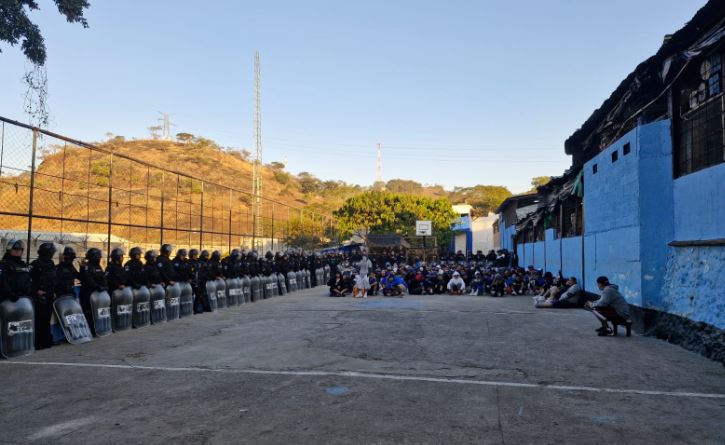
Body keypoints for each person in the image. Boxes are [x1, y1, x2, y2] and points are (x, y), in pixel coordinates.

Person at [29, 242, 57, 349]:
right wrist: (36, 290)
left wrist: (53, 291)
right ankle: (38, 342)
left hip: (49, 295)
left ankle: (46, 341)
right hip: (39, 296)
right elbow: (29, 280)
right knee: (39, 319)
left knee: (46, 319)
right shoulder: (35, 264)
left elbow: (53, 280)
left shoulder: (51, 263)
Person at [78, 248, 107, 335]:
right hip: (87, 294)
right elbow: (88, 280)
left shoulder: (98, 267)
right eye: (98, 257)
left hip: (97, 295)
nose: (99, 259)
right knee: (88, 313)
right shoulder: (87, 267)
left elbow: (103, 277)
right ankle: (89, 331)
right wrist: (98, 287)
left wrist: (105, 286)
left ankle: (97, 330)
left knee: (97, 312)